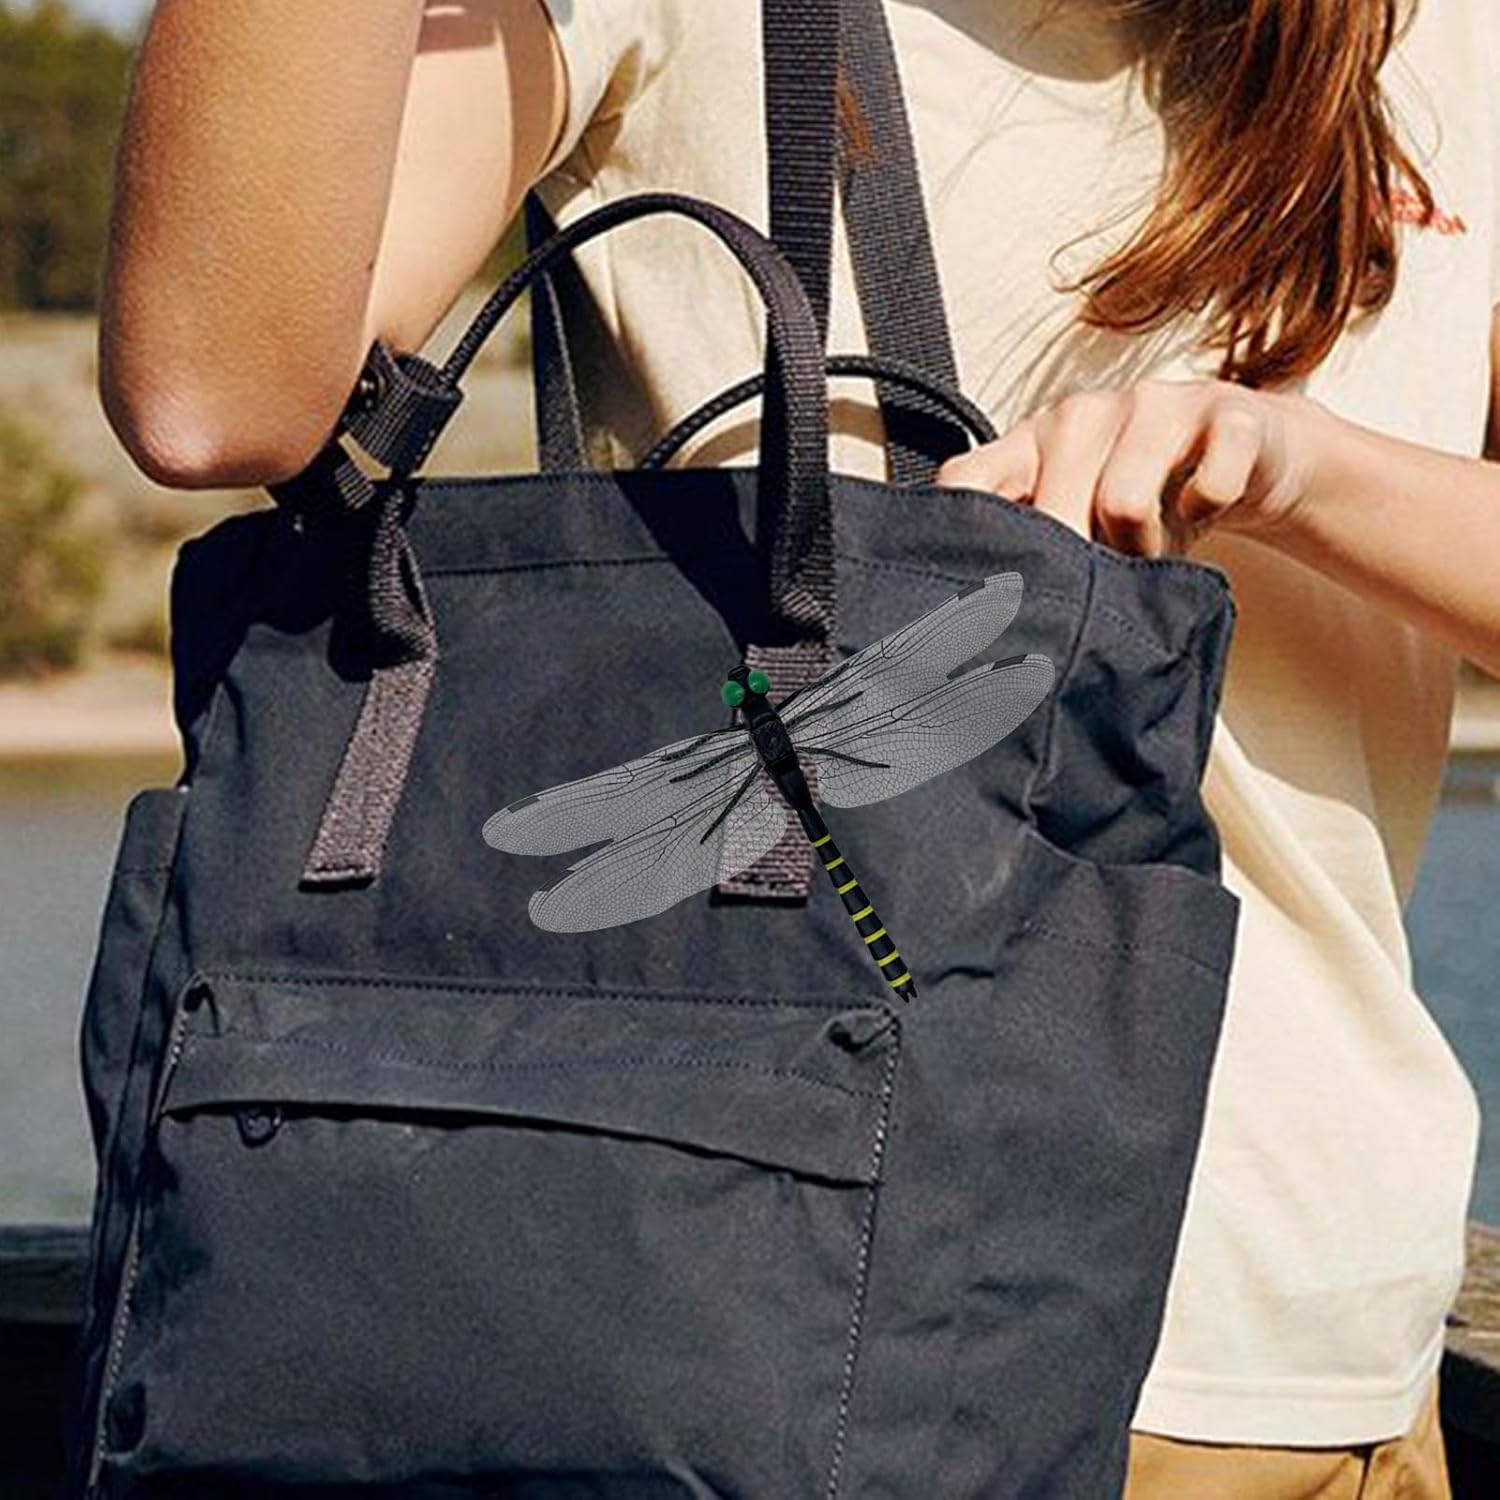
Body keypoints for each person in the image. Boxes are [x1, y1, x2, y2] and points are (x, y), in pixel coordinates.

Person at [97, 1, 1495, 1495]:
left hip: (1326, 1347)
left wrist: (1300, 470)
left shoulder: (1451, 38)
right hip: (760, 1343)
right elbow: (213, 395)